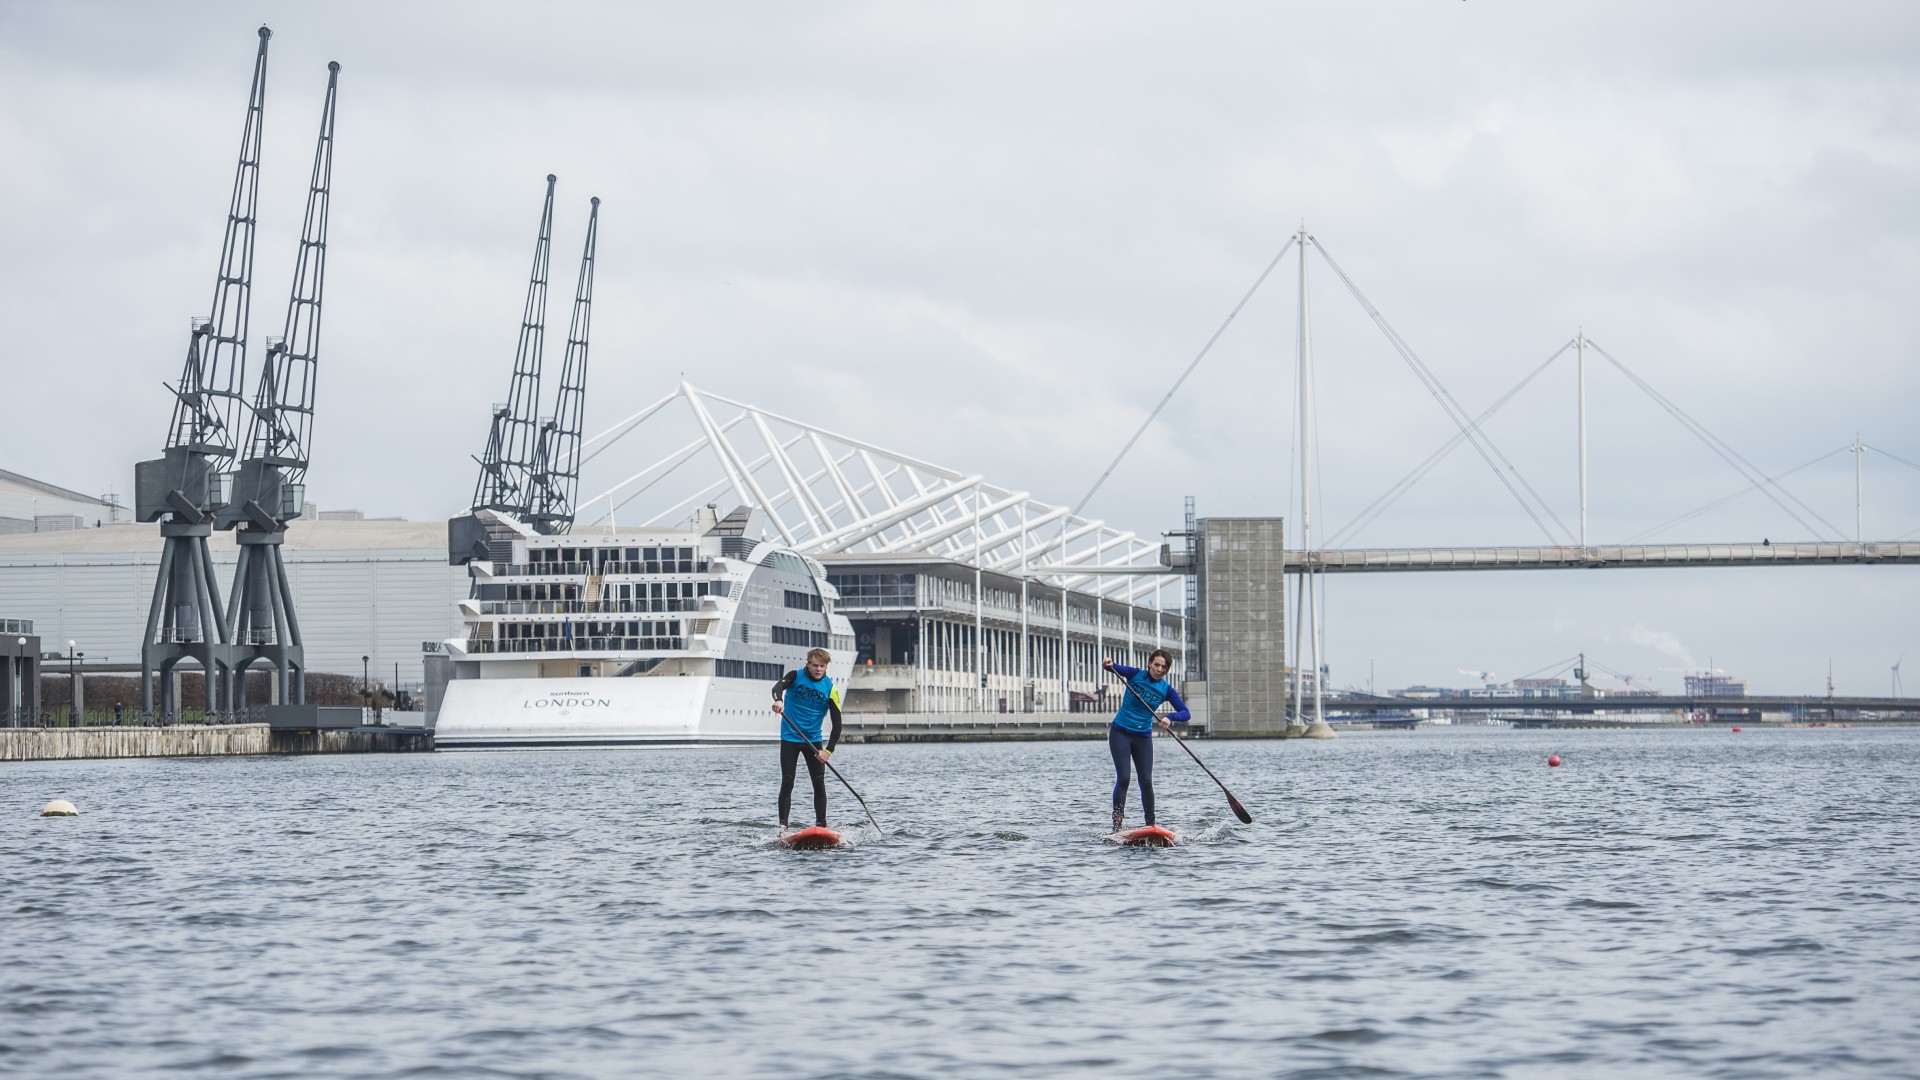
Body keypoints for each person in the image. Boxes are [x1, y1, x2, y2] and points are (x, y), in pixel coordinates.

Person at [1102, 649, 1190, 832]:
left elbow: (1186, 713)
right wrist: (1108, 663)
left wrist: (1170, 717)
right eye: (1156, 665)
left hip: (1143, 738)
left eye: (1163, 667)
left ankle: (1151, 825)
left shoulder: (1166, 689)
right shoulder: (1135, 674)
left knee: (1147, 782)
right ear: (1149, 664)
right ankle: (1116, 827)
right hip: (1121, 733)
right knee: (1124, 778)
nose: (1159, 669)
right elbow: (1113, 667)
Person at [770, 647, 843, 832]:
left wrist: (828, 751)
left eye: (822, 666)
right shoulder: (795, 676)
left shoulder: (830, 689)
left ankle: (822, 825)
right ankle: (783, 829)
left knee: (818, 783)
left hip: (813, 741)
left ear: (826, 667)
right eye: (815, 665)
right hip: (790, 738)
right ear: (808, 664)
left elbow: (837, 724)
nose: (818, 669)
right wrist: (779, 700)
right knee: (788, 781)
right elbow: (777, 687)